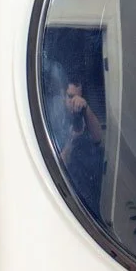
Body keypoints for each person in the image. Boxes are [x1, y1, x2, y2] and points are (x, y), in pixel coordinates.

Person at [58, 79, 106, 218]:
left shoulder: (86, 115)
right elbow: (59, 164)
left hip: (87, 195)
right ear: (62, 95)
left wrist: (86, 110)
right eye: (71, 97)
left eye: (78, 97)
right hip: (62, 192)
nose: (75, 102)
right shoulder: (56, 118)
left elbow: (99, 139)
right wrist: (73, 138)